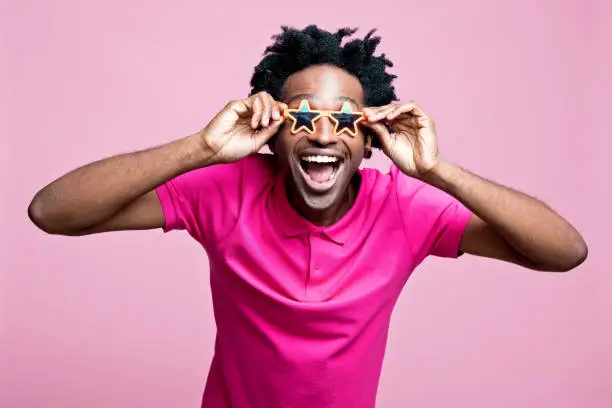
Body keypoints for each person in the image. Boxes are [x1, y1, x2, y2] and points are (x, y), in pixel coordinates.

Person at [28, 25, 587, 408]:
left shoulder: (404, 207)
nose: (322, 134)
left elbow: (565, 252)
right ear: (272, 135)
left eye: (344, 122)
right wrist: (201, 146)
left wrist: (437, 172)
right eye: (301, 118)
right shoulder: (225, 191)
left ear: (371, 140)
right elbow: (52, 211)